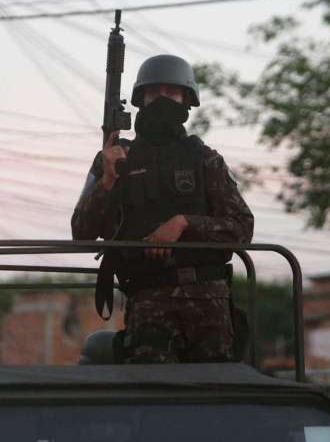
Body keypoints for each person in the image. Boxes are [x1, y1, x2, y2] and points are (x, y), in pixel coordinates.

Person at [71, 55, 254, 364]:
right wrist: (107, 182)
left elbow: (241, 228)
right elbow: (81, 233)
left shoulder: (206, 160)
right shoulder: (114, 159)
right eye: (155, 93)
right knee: (151, 399)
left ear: (186, 100)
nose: (162, 100)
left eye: (172, 93)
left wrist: (184, 223)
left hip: (209, 304)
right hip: (148, 303)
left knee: (217, 400)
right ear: (141, 99)